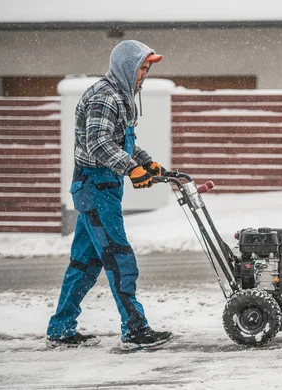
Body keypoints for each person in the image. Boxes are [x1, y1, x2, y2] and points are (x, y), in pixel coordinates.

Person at [46, 40, 173, 350]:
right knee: (119, 258)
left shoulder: (121, 96)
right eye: (142, 67)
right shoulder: (105, 97)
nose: (145, 74)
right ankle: (135, 329)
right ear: (127, 67)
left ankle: (61, 329)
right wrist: (132, 169)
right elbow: (99, 145)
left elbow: (121, 141)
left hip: (101, 188)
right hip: (96, 187)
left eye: (147, 68)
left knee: (84, 263)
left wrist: (145, 162)